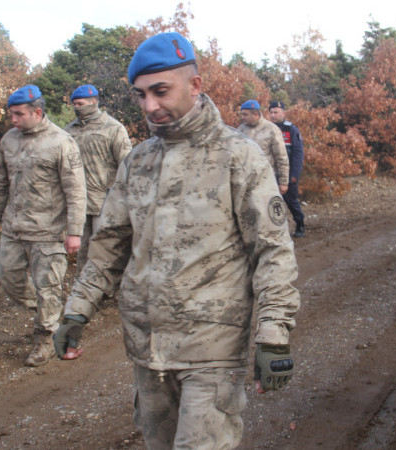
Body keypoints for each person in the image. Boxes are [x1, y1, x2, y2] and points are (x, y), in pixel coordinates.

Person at [55, 32, 300, 449]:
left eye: (161, 91)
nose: (150, 106)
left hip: (213, 346)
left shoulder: (238, 156)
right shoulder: (139, 161)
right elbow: (110, 244)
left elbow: (272, 250)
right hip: (147, 347)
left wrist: (274, 332)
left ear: (195, 85)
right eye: (141, 95)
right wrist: (77, 309)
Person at [0, 84, 87, 367]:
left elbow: (76, 191)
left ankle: (45, 338)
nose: (13, 120)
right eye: (11, 115)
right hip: (14, 228)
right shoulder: (9, 140)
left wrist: (75, 231)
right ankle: (47, 312)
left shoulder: (61, 142)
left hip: (48, 232)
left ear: (37, 112)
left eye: (18, 114)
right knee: (6, 274)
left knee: (48, 286)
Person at [63, 84, 132, 273]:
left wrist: (125, 201)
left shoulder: (113, 128)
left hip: (106, 203)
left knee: (105, 253)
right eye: (74, 104)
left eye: (81, 104)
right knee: (83, 254)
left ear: (94, 102)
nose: (77, 108)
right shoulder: (69, 131)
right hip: (79, 204)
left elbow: (128, 166)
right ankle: (84, 294)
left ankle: (107, 294)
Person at [236, 100, 290, 196]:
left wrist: (283, 182)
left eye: (245, 115)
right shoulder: (240, 129)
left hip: (265, 182)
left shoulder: (272, 130)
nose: (242, 117)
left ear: (255, 114)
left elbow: (281, 158)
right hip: (244, 182)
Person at [269, 101, 306, 238]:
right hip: (272, 173)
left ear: (283, 113)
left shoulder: (291, 129)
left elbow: (298, 154)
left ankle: (300, 224)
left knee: (291, 201)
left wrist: (294, 175)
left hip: (288, 173)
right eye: (271, 112)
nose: (273, 115)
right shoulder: (267, 129)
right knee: (273, 204)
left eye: (276, 112)